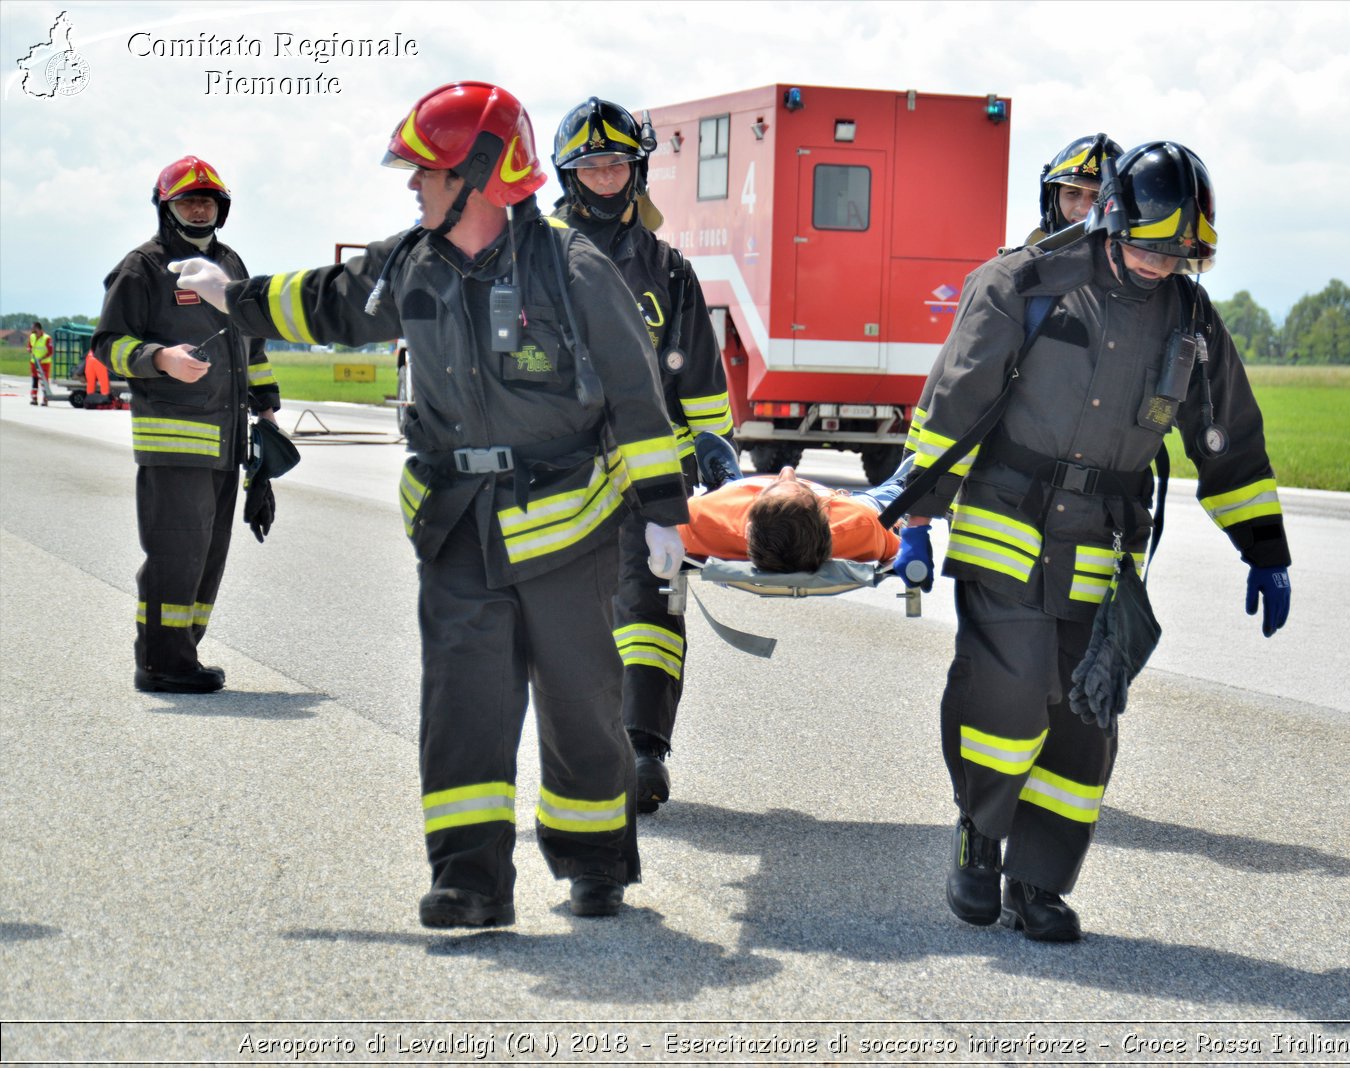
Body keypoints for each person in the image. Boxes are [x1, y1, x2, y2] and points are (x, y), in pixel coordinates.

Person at [172, 82, 690, 928]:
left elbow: (637, 398)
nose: (412, 186)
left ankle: (595, 861)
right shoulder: (411, 260)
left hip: (566, 530)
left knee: (582, 707)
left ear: (480, 171)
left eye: (426, 171)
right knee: (462, 704)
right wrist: (239, 296)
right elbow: (330, 301)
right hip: (455, 526)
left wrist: (664, 512)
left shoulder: (575, 271)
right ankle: (471, 882)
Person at [897, 141, 1292, 943]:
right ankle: (979, 837)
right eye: (1152, 246)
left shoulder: (1189, 316)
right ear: (1112, 221)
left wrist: (1264, 545)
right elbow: (953, 407)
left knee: (1085, 718)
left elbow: (1228, 438)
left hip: (1104, 545)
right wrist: (913, 520)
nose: (1163, 264)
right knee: (1007, 697)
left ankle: (1038, 883)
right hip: (1007, 524)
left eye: (1183, 253)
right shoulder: (1021, 285)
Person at [550, 97, 734, 814]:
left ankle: (643, 747)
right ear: (569, 175)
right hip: (556, 475)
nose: (604, 176)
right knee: (569, 620)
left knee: (652, 610)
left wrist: (714, 473)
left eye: (616, 163)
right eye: (590, 165)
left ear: (637, 170)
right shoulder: (533, 260)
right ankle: (583, 751)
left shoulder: (668, 269)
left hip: (650, 479)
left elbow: (701, 386)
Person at [90, 156, 279, 695]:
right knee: (176, 554)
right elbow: (109, 345)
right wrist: (159, 358)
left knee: (210, 554)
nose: (199, 208)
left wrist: (266, 406)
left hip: (226, 440)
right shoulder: (141, 267)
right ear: (166, 208)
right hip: (173, 438)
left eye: (208, 201)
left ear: (221, 209)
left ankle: (184, 654)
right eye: (187, 200)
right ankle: (159, 663)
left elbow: (252, 345)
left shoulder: (230, 263)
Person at [677, 436, 902, 569]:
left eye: (773, 486)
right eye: (797, 484)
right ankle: (898, 485)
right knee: (884, 496)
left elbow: (669, 524)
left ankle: (728, 482)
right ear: (825, 513)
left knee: (731, 490)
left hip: (738, 502)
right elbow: (898, 545)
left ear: (749, 518)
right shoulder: (860, 526)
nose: (787, 470)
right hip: (845, 507)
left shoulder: (702, 520)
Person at [1025, 133, 1124, 245]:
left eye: (1098, 197)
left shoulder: (1142, 261)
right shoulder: (1026, 261)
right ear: (1052, 199)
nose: (1084, 209)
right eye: (1072, 193)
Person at [26, 322, 52, 405]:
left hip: (44, 363)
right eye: (33, 330)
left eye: (35, 330)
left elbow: (51, 351)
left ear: (40, 330)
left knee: (44, 382)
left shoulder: (47, 338)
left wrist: (42, 358)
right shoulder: (32, 336)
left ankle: (45, 400)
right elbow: (29, 346)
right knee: (34, 380)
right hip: (34, 362)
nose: (33, 332)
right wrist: (29, 349)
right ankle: (34, 399)